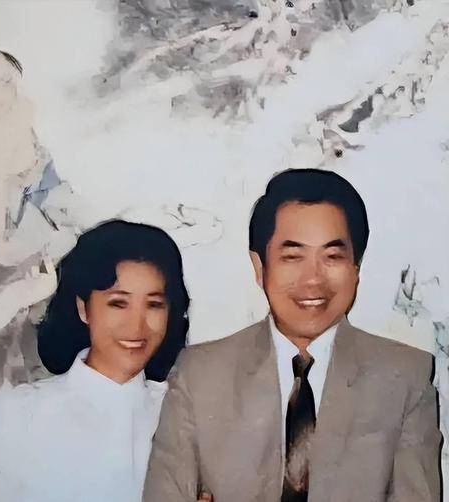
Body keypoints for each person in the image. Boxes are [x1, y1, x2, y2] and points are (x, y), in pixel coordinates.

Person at [143, 168, 442, 502]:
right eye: (293, 256)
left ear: (356, 268)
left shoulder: (404, 378)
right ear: (260, 267)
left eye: (332, 256)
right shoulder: (200, 374)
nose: (313, 279)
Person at [0, 219, 209, 502]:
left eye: (154, 305)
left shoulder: (182, 415)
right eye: (118, 303)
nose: (136, 326)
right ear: (83, 308)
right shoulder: (21, 412)